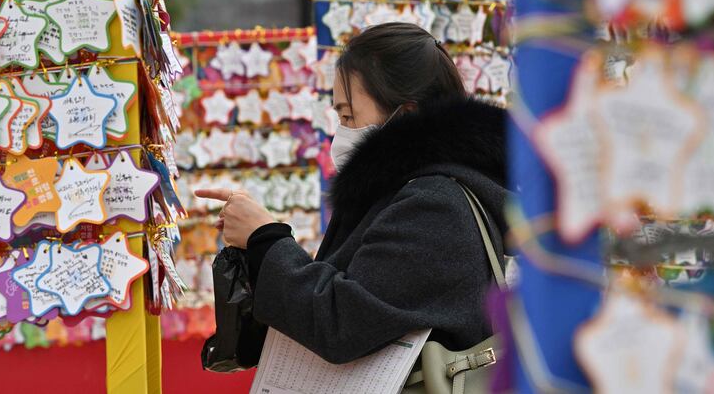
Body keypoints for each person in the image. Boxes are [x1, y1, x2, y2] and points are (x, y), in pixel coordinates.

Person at [195, 22, 510, 364]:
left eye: (348, 115)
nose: (341, 132)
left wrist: (265, 238)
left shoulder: (435, 205)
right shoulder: (405, 191)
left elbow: (342, 321)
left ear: (406, 115)